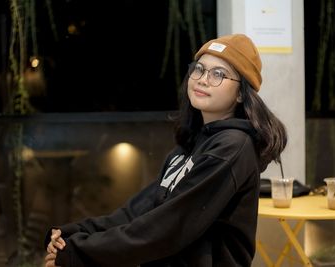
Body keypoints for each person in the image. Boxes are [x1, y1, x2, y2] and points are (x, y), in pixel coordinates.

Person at [44, 33, 287, 267]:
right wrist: (73, 233)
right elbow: (137, 212)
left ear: (241, 95)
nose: (203, 79)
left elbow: (168, 228)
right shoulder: (189, 147)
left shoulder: (232, 147)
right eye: (199, 69)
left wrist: (79, 252)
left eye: (218, 75)